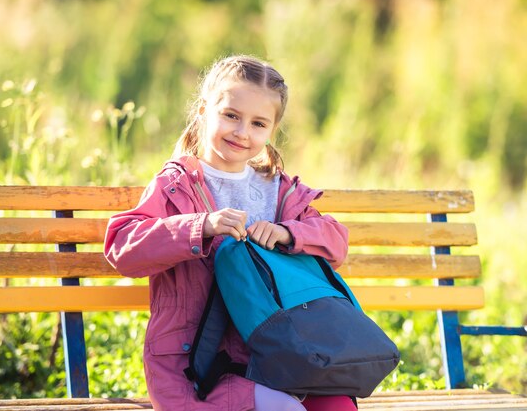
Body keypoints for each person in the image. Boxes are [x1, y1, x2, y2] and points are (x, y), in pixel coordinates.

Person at [104, 55, 357, 411]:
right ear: (205, 110)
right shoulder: (175, 185)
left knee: (338, 406)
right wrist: (200, 226)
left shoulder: (278, 189)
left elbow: (336, 242)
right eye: (231, 116)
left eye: (258, 123)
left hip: (281, 354)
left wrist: (288, 233)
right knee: (287, 410)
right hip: (201, 367)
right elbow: (122, 246)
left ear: (272, 130)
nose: (242, 132)